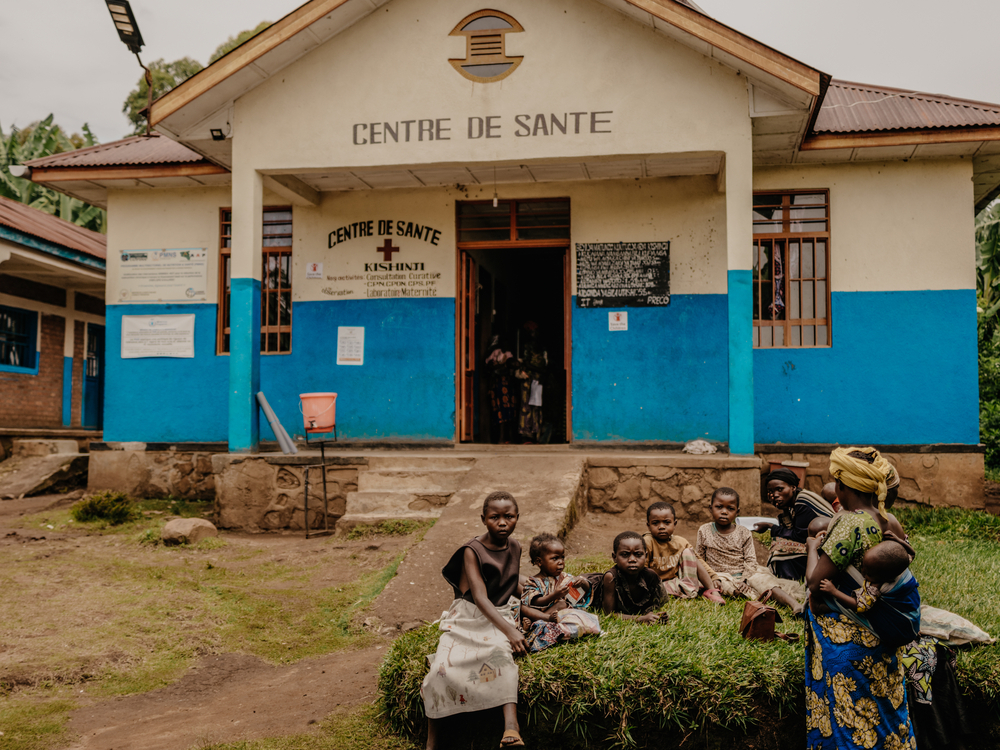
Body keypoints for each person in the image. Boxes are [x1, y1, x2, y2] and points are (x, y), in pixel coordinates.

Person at [804, 447, 917, 750]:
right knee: (885, 716)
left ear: (841, 485)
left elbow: (815, 582)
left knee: (849, 722)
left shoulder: (848, 522)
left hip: (848, 640)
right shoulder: (887, 519)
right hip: (881, 633)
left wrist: (812, 548)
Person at [420, 491, 526, 749]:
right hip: (469, 616)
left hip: (498, 611)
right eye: (495, 517)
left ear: (517, 518)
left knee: (501, 655)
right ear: (483, 519)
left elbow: (511, 582)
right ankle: (432, 741)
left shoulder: (515, 547)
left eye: (508, 516)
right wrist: (510, 631)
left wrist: (539, 595)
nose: (502, 522)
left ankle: (511, 728)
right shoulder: (472, 551)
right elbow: (479, 597)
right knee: (440, 670)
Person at [818, 536, 921, 650]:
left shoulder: (875, 587)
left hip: (900, 630)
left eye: (869, 574)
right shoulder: (900, 564)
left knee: (857, 610)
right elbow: (912, 553)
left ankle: (825, 606)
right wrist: (897, 538)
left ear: (886, 578)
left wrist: (834, 591)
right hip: (912, 618)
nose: (863, 572)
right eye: (863, 566)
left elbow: (860, 606)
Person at [520, 533, 599, 652]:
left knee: (565, 607)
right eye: (555, 558)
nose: (561, 562)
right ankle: (538, 622)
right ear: (539, 561)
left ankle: (537, 625)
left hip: (558, 614)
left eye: (562, 557)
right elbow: (534, 602)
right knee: (523, 607)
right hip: (539, 613)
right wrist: (554, 595)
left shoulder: (565, 577)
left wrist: (583, 583)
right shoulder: (533, 582)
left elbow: (583, 593)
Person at [753, 468, 835, 580]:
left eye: (780, 489)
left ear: (793, 487)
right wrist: (782, 508)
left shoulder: (803, 502)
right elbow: (791, 529)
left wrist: (770, 527)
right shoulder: (796, 501)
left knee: (780, 550)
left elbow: (798, 536)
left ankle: (789, 580)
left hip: (830, 550)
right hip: (820, 546)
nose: (775, 495)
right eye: (771, 491)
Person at [642, 501, 724, 604]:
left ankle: (711, 591)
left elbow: (698, 560)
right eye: (655, 523)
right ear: (648, 525)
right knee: (659, 589)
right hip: (656, 585)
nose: (661, 527)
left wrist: (714, 577)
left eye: (667, 522)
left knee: (689, 552)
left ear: (674, 524)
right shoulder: (647, 542)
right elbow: (642, 571)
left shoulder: (681, 542)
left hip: (677, 581)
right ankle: (689, 590)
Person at [592, 531, 666, 624]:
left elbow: (651, 606)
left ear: (646, 556)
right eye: (625, 554)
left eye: (638, 554)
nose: (632, 559)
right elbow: (609, 615)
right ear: (614, 557)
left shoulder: (650, 575)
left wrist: (656, 616)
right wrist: (641, 619)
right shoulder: (611, 578)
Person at [695, 488, 757, 597]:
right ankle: (738, 593)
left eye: (730, 508)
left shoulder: (744, 533)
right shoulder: (704, 530)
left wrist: (745, 580)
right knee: (717, 584)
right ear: (711, 508)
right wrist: (711, 577)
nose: (724, 512)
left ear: (737, 512)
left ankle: (747, 589)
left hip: (741, 576)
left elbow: (751, 560)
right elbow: (699, 558)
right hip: (717, 576)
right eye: (719, 507)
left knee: (762, 580)